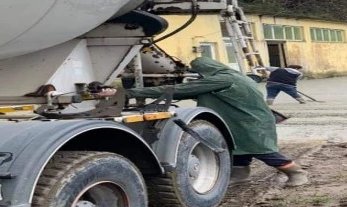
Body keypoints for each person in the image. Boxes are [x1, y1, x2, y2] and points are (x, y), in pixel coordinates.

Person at [125, 57, 308, 186]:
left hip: (250, 122)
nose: (197, 74)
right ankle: (240, 175)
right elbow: (198, 92)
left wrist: (134, 92)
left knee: (264, 151)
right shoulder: (233, 76)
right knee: (237, 148)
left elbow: (179, 89)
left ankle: (297, 174)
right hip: (244, 120)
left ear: (205, 70)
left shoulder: (221, 79)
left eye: (197, 71)